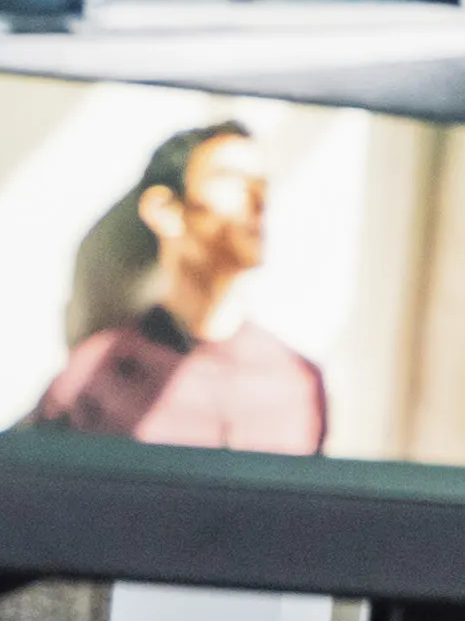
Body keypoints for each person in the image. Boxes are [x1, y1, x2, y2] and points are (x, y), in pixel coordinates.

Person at [22, 119, 328, 452]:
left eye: (262, 184)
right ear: (165, 210)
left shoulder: (297, 384)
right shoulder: (95, 377)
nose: (257, 201)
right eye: (230, 179)